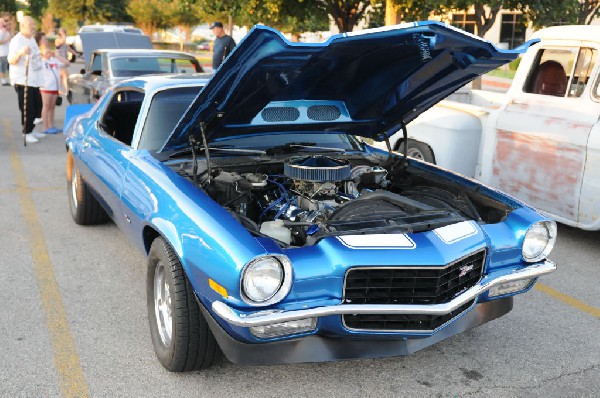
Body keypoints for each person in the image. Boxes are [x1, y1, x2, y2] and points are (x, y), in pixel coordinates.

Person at [7, 15, 44, 144]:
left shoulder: (32, 39)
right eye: (31, 25)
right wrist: (21, 53)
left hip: (34, 80)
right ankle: (26, 131)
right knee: (27, 108)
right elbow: (11, 60)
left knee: (37, 106)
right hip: (23, 80)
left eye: (34, 24)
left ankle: (32, 129)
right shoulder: (17, 40)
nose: (34, 27)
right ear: (22, 26)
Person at [36, 32, 69, 133]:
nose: (48, 53)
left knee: (52, 107)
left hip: (55, 86)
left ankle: (51, 125)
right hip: (46, 86)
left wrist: (56, 56)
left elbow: (66, 63)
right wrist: (42, 56)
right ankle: (45, 127)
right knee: (46, 106)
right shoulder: (40, 58)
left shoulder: (54, 59)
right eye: (43, 39)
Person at [54, 27, 76, 94]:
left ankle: (58, 89)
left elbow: (70, 49)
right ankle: (67, 90)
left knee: (61, 76)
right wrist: (62, 33)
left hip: (64, 62)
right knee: (65, 75)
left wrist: (77, 55)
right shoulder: (58, 40)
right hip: (59, 61)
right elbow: (63, 40)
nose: (65, 35)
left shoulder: (65, 43)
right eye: (64, 33)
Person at [0, 17, 12, 86]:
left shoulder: (7, 32)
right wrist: (7, 40)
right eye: (9, 25)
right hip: (3, 53)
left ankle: (9, 80)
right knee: (3, 68)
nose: (10, 26)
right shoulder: (2, 32)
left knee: (9, 68)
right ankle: (3, 81)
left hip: (8, 53)